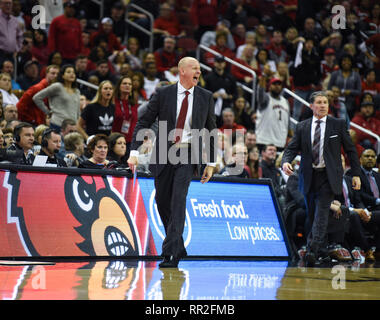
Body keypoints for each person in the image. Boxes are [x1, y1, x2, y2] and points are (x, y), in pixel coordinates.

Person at [127, 57, 216, 268]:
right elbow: (144, 122)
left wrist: (211, 163)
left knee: (178, 200)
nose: (199, 72)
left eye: (200, 69)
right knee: (162, 201)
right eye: (195, 68)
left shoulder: (205, 97)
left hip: (187, 155)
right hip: (163, 154)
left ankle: (170, 254)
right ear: (182, 70)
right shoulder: (164, 93)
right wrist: (134, 152)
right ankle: (178, 244)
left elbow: (210, 130)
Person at [281, 91, 361, 266]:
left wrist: (356, 174)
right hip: (309, 176)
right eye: (319, 102)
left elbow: (351, 150)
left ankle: (312, 249)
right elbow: (291, 148)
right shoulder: (302, 126)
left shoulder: (338, 124)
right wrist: (286, 162)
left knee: (322, 212)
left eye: (325, 102)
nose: (323, 105)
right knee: (312, 214)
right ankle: (322, 249)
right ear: (311, 106)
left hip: (328, 175)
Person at [33, 64, 80, 131]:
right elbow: (37, 97)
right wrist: (47, 112)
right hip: (57, 124)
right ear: (62, 75)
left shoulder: (77, 91)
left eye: (73, 72)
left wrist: (78, 124)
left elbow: (77, 111)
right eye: (68, 72)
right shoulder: (57, 87)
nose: (72, 74)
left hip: (72, 127)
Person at [256, 77, 291, 151]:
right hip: (264, 140)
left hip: (280, 142)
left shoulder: (285, 102)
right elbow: (260, 92)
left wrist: (290, 135)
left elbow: (287, 122)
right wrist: (264, 76)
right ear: (269, 86)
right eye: (274, 84)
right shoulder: (266, 98)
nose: (277, 86)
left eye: (279, 84)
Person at [48, 0, 82, 64]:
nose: (72, 10)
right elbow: (51, 38)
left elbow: (79, 39)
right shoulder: (56, 21)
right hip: (60, 56)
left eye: (74, 8)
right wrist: (53, 53)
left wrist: (79, 52)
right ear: (65, 8)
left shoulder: (77, 23)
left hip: (74, 56)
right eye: (70, 7)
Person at [111, 76, 138, 159]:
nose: (127, 85)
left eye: (130, 84)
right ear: (119, 86)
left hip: (130, 141)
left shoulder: (134, 103)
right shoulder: (113, 101)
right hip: (115, 140)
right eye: (124, 83)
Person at [0, 0, 23, 66]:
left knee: (11, 75)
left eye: (10, 4)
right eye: (6, 3)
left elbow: (20, 36)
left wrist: (17, 49)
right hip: (0, 54)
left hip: (11, 55)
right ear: (0, 5)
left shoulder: (15, 20)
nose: (8, 6)